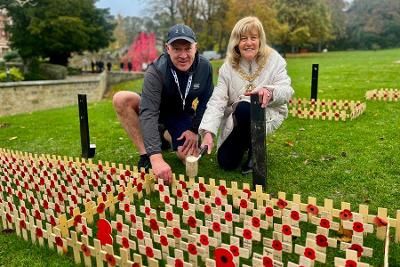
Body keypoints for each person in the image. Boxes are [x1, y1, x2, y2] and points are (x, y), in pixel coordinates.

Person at [113, 24, 214, 184]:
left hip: (180, 114)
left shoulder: (205, 67)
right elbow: (148, 113)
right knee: (121, 98)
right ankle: (145, 155)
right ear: (167, 48)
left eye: (187, 48)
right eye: (176, 49)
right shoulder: (156, 71)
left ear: (196, 47)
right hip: (155, 110)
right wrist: (155, 157)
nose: (183, 55)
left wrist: (194, 130)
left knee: (189, 157)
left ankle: (165, 134)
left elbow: (206, 102)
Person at [199, 16, 294, 174]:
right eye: (243, 38)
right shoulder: (227, 68)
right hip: (236, 119)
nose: (249, 43)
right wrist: (208, 132)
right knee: (226, 163)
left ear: (260, 40)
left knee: (245, 106)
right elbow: (217, 101)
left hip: (267, 112)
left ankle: (256, 150)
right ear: (236, 42)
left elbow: (287, 90)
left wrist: (270, 92)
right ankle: (247, 142)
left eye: (253, 38)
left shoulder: (275, 60)